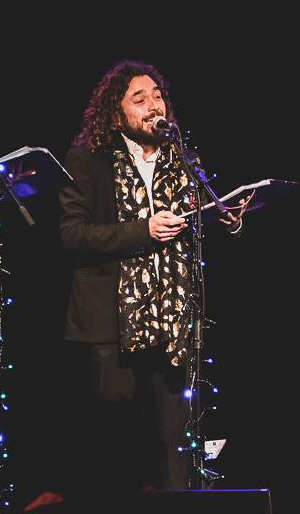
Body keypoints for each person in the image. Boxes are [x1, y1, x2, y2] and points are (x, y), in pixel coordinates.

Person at [59, 60, 243, 492]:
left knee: (173, 443)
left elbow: (195, 218)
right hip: (109, 320)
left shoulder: (182, 158)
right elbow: (72, 234)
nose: (153, 104)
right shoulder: (88, 158)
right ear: (115, 110)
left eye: (157, 95)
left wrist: (228, 216)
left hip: (170, 319)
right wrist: (143, 230)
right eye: (138, 98)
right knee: (111, 444)